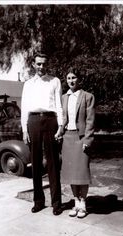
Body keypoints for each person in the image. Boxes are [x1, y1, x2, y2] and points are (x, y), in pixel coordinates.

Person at [21, 53, 63, 215]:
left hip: (51, 120)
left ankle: (56, 203)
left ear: (47, 64)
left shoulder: (55, 81)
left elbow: (59, 104)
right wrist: (25, 129)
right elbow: (24, 107)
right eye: (38, 64)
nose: (41, 67)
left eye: (44, 64)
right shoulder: (28, 84)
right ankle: (38, 201)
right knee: (36, 162)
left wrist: (60, 126)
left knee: (53, 162)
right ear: (33, 64)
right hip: (33, 121)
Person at [60, 67, 95, 218]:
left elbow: (90, 120)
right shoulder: (63, 97)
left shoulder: (88, 96)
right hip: (67, 137)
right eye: (68, 78)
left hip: (81, 138)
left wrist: (88, 139)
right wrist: (59, 133)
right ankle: (76, 202)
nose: (71, 81)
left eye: (73, 77)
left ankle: (83, 204)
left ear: (79, 79)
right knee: (71, 173)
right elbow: (61, 118)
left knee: (81, 172)